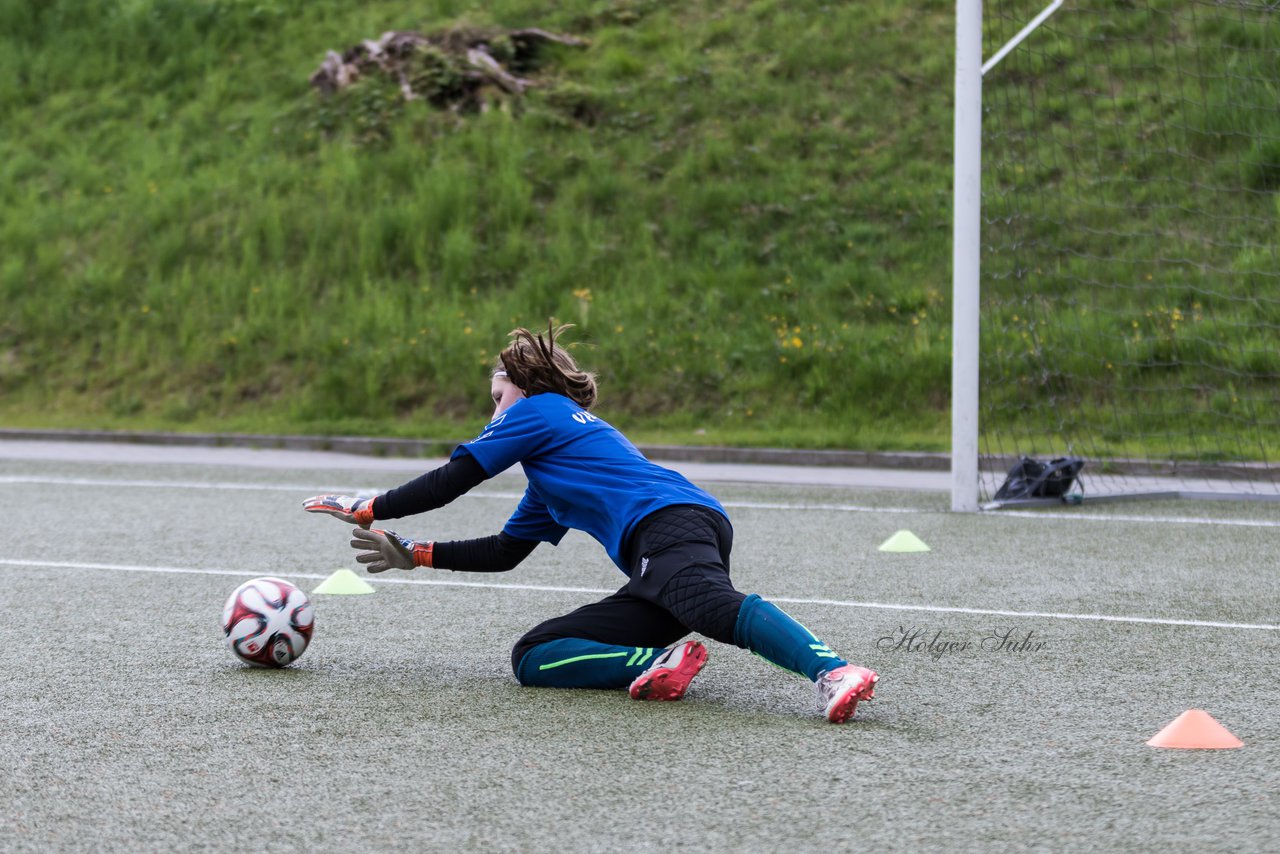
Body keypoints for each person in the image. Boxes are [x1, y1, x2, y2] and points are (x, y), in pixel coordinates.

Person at [303, 323, 879, 722]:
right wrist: (416, 552)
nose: (492, 413)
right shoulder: (551, 473)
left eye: (496, 398)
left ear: (523, 391)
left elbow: (455, 477)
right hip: (660, 548)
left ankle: (832, 670)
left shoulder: (540, 411)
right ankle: (659, 663)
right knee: (534, 653)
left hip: (670, 522)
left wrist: (369, 507)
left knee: (708, 603)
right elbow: (506, 550)